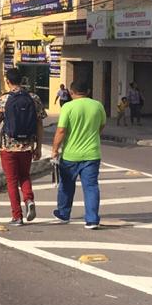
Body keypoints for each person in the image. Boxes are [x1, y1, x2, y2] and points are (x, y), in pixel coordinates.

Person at [0, 67, 46, 227]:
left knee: (12, 180)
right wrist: (38, 147)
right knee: (24, 176)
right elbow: (39, 124)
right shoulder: (34, 98)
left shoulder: (3, 100)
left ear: (8, 81)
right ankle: (29, 199)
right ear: (22, 80)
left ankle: (17, 216)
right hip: (27, 146)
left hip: (8, 147)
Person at [51, 75, 107, 230]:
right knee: (91, 187)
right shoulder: (98, 106)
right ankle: (92, 219)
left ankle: (63, 213)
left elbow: (61, 131)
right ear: (88, 91)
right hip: (92, 153)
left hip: (70, 154)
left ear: (71, 92)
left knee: (66, 185)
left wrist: (55, 149)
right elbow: (102, 125)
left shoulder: (68, 107)